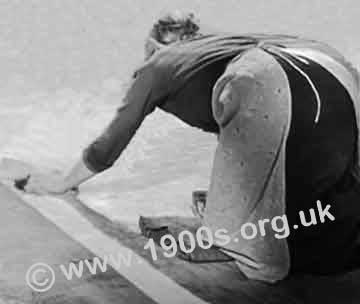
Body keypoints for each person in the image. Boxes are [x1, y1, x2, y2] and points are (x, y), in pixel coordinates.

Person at [21, 11, 360, 283]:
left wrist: (60, 183)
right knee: (321, 197)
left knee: (249, 241)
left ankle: (244, 243)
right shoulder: (223, 47)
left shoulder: (158, 65)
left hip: (265, 78)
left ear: (156, 46)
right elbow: (249, 135)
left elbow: (111, 142)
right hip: (331, 67)